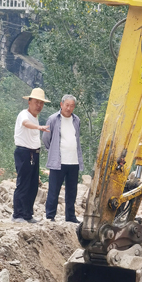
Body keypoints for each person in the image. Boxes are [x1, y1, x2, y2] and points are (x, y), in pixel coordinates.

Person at [42, 94, 85, 223]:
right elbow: (45, 138)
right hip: (58, 161)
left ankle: (70, 216)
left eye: (72, 106)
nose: (69, 108)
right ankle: (50, 216)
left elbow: (76, 137)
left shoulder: (76, 120)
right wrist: (54, 151)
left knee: (72, 191)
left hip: (73, 161)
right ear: (61, 105)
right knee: (54, 189)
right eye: (67, 105)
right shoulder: (53, 119)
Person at [12, 88, 50, 223]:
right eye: (36, 102)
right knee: (23, 183)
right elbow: (25, 124)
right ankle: (18, 215)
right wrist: (39, 128)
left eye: (41, 103)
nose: (39, 105)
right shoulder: (24, 114)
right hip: (24, 152)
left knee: (33, 185)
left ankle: (28, 214)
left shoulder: (35, 117)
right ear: (29, 102)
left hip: (34, 153)